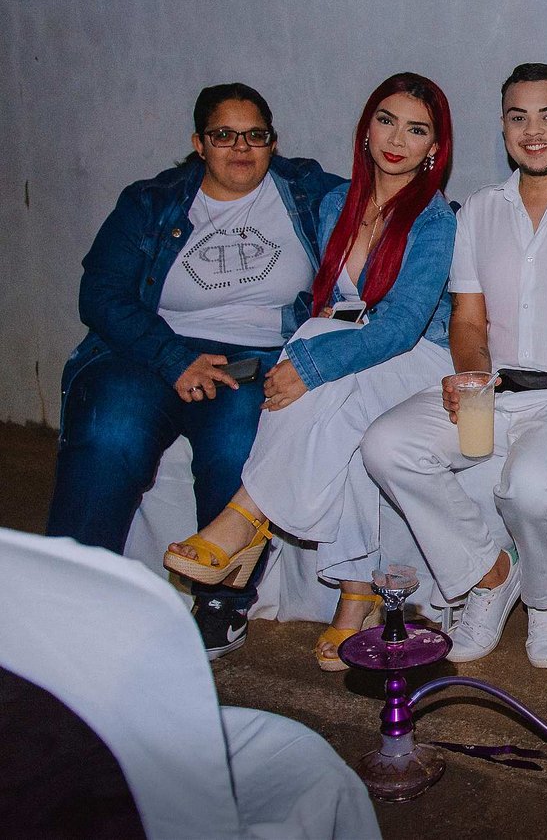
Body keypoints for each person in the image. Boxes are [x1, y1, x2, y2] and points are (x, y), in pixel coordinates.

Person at [362, 62, 547, 669]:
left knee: (532, 486)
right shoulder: (478, 210)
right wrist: (472, 374)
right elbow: (468, 321)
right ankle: (489, 574)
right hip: (498, 391)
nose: (533, 131)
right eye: (518, 117)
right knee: (387, 445)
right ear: (503, 128)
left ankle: (544, 598)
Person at [163, 73, 457, 671]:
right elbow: (320, 301)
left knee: (320, 354)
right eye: (386, 121)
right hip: (353, 356)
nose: (396, 139)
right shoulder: (332, 205)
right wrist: (292, 350)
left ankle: (247, 516)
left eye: (416, 129)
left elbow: (401, 327)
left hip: (419, 357)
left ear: (434, 148)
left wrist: (312, 364)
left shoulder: (434, 221)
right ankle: (356, 594)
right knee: (340, 411)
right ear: (366, 128)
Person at [47, 83, 343, 658]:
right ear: (198, 143)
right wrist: (172, 358)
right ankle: (72, 589)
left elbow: (387, 202)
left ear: (273, 142)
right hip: (150, 348)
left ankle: (221, 601)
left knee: (236, 435)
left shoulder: (306, 191)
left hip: (255, 355)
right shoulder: (151, 201)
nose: (241, 148)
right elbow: (101, 294)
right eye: (223, 135)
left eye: (255, 135)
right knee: (111, 430)